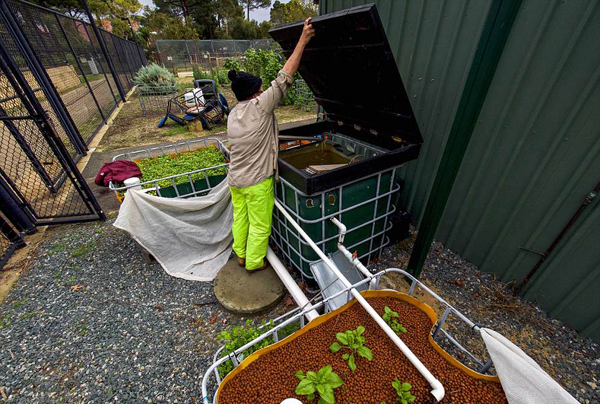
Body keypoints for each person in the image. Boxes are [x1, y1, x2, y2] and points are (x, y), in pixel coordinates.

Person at [227, 18, 316, 272]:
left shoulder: (234, 113)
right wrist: (303, 39)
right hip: (256, 183)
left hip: (235, 180)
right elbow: (286, 75)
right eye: (261, 88)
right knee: (259, 224)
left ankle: (241, 254)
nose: (265, 89)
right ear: (255, 94)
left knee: (240, 218)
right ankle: (254, 263)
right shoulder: (261, 107)